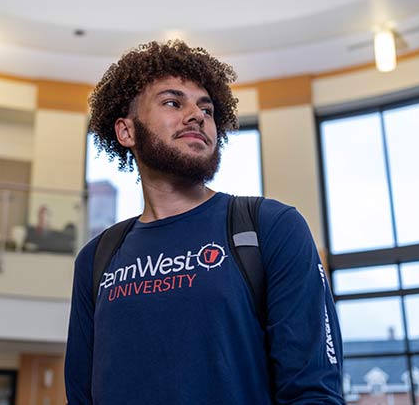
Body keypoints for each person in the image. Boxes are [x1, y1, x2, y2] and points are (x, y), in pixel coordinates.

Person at [65, 40, 344, 404]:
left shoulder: (270, 227)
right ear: (126, 131)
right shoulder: (97, 258)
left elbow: (314, 392)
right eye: (172, 102)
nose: (196, 115)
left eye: (207, 108)